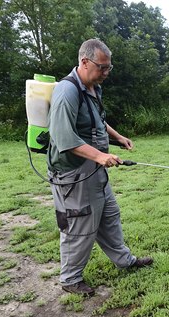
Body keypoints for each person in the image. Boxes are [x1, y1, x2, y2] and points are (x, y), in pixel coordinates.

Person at [47, 38, 152, 297]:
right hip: (74, 173)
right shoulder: (67, 91)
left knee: (109, 216)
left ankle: (125, 261)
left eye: (109, 68)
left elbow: (98, 121)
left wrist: (118, 137)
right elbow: (64, 138)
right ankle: (70, 279)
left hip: (93, 169)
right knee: (80, 224)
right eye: (102, 68)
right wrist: (100, 156)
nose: (106, 73)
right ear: (84, 62)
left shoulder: (93, 87)